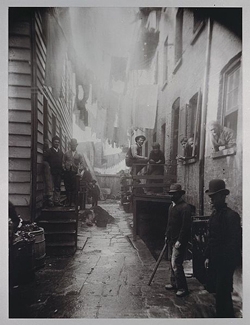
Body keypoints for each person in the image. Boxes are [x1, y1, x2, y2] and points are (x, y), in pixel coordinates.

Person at [204, 179, 242, 318]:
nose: (211, 200)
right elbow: (211, 238)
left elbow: (234, 243)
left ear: (222, 196)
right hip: (216, 260)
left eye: (214, 197)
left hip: (226, 262)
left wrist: (224, 262)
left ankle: (226, 317)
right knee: (217, 292)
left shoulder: (232, 216)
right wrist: (208, 256)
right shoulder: (214, 215)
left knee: (223, 292)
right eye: (210, 197)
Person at [164, 183, 192, 297]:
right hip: (171, 239)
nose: (172, 196)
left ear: (180, 194)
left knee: (176, 263)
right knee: (172, 261)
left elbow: (185, 227)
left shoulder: (185, 208)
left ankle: (182, 288)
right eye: (171, 194)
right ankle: (174, 283)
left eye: (174, 194)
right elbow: (169, 224)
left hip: (179, 241)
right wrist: (167, 235)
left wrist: (180, 241)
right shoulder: (171, 207)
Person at [43, 136, 64, 206]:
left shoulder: (61, 153)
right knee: (50, 187)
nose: (57, 144)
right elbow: (44, 160)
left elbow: (62, 162)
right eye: (55, 142)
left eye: (58, 142)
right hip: (51, 172)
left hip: (58, 172)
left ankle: (57, 201)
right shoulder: (49, 151)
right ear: (52, 143)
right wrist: (48, 167)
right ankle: (50, 201)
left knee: (57, 187)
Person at [63, 138, 84, 207]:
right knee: (67, 187)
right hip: (67, 172)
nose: (73, 146)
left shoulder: (79, 155)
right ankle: (68, 202)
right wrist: (64, 168)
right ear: (70, 145)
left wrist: (79, 170)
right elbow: (63, 162)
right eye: (72, 145)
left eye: (74, 145)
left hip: (75, 173)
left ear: (76, 145)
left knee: (74, 188)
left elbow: (82, 164)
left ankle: (73, 202)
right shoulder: (66, 153)